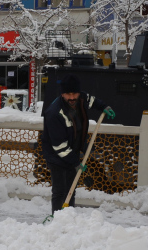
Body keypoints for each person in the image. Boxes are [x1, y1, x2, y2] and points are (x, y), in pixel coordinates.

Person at [41, 74, 114, 213]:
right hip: (56, 155)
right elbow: (59, 146)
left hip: (72, 150)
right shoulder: (54, 113)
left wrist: (104, 107)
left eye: (74, 93)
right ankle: (57, 217)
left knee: (71, 189)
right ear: (62, 94)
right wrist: (75, 162)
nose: (72, 97)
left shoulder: (81, 98)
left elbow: (92, 100)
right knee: (60, 191)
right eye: (68, 94)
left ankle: (69, 215)